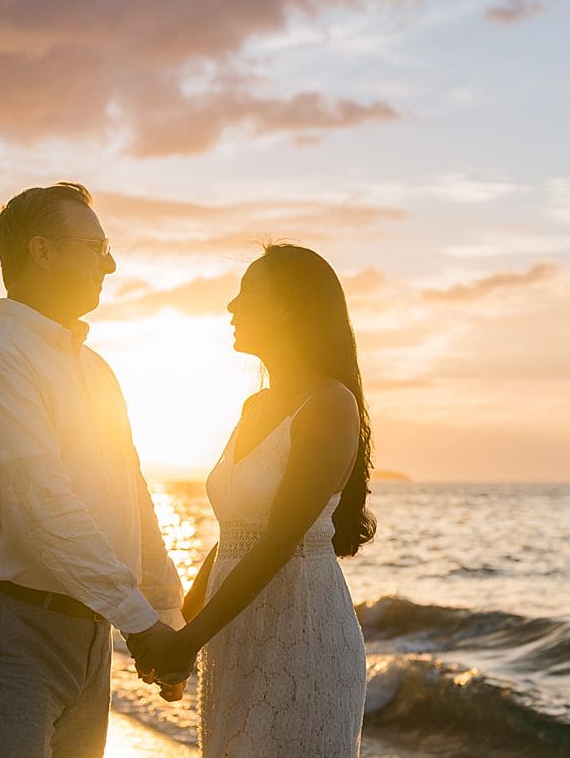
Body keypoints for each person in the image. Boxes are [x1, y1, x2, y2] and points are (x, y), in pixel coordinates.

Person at [0, 182, 187, 758]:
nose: (111, 263)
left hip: (87, 630)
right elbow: (38, 506)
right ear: (42, 251)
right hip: (6, 626)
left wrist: (163, 613)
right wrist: (143, 626)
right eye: (96, 246)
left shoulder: (95, 370)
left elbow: (132, 495)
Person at [128, 243, 374, 757]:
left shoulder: (329, 403)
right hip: (239, 636)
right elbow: (236, 535)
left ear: (288, 307)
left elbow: (279, 541)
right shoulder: (254, 405)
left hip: (302, 630)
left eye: (247, 294)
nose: (231, 308)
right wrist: (181, 625)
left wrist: (187, 642)